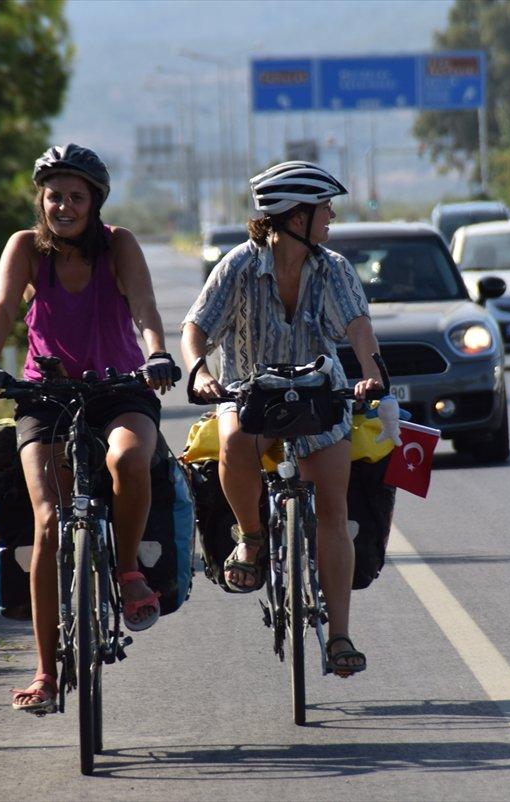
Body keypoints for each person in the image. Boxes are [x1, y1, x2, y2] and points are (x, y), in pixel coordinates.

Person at [0, 143, 177, 713]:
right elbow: (2, 308)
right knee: (49, 523)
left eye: (75, 197)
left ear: (94, 202)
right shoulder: (25, 249)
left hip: (121, 388)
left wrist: (157, 353)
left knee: (130, 461)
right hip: (46, 393)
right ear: (42, 199)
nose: (63, 205)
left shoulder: (119, 246)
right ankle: (44, 671)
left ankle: (130, 571)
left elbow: (145, 309)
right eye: (54, 195)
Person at [181, 161, 399, 677]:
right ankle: (252, 537)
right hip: (249, 396)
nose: (330, 216)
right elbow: (196, 327)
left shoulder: (335, 269)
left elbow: (360, 331)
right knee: (234, 441)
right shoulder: (237, 265)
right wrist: (199, 372)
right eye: (324, 207)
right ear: (294, 215)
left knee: (332, 510)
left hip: (319, 398)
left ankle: (340, 635)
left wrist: (371, 374)